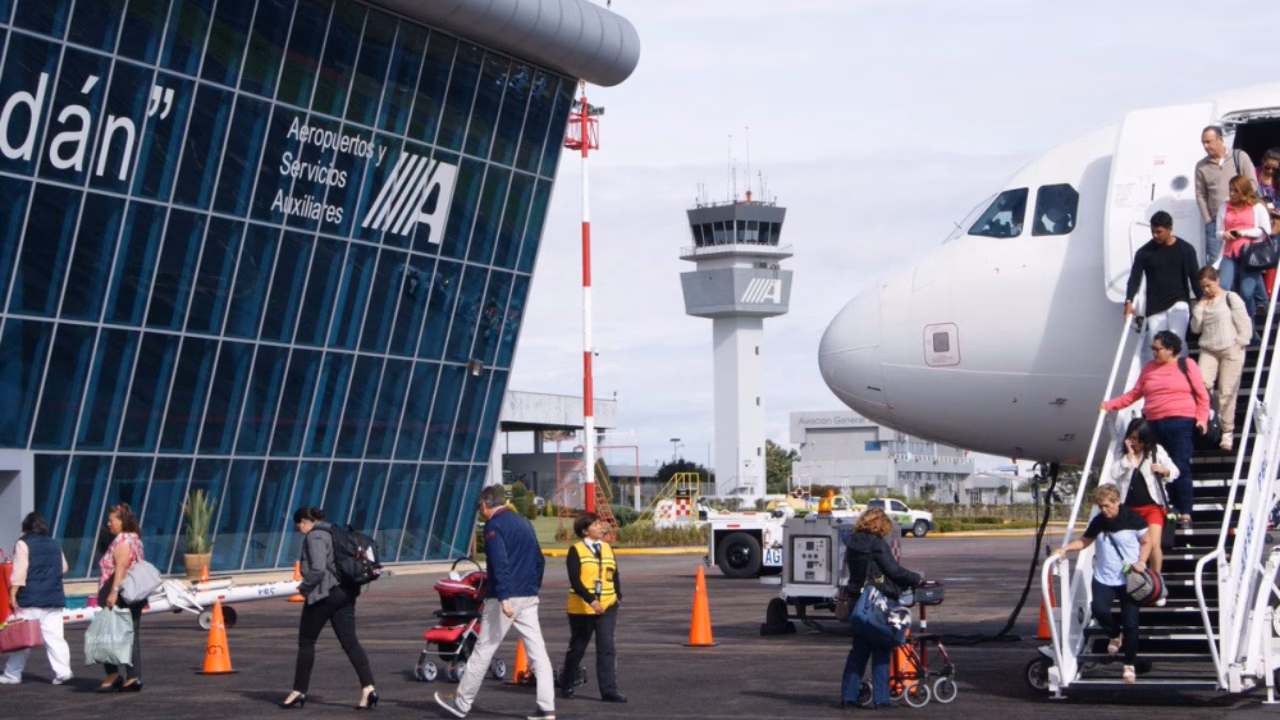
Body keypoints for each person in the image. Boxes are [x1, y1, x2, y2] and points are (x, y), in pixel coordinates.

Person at [436, 486, 555, 720]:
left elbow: (499, 563)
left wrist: (503, 596)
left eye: (480, 509)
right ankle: (546, 707)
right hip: (528, 595)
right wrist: (532, 588)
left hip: (505, 597)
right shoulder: (524, 523)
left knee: (483, 650)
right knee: (538, 652)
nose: (480, 514)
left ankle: (462, 703)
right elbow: (539, 560)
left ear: (484, 505)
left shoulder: (494, 526)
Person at [1101, 330, 1209, 524]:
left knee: (1180, 465)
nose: (1154, 352)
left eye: (1157, 349)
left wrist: (1201, 419)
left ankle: (1185, 509)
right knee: (1155, 466)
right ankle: (1167, 506)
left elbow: (1202, 394)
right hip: (1153, 424)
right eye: (1152, 349)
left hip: (1181, 421)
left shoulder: (1186, 364)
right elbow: (1134, 394)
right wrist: (1110, 404)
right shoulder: (1149, 368)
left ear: (1170, 349)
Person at [1050, 485, 1153, 684]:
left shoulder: (1133, 519)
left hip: (1129, 578)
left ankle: (1129, 665)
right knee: (1098, 609)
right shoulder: (1099, 521)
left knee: (1131, 622)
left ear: (1117, 502)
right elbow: (1086, 540)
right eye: (1100, 506)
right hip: (1104, 577)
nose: (1104, 510)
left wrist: (1141, 561)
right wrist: (1065, 549)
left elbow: (1147, 542)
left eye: (1107, 506)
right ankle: (1115, 634)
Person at [278, 507, 376, 710]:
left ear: (306, 521)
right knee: (350, 642)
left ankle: (299, 691)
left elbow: (318, 569)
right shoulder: (335, 532)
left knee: (306, 642)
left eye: (298, 526)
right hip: (346, 593)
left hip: (324, 594)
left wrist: (304, 589)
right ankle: (368, 688)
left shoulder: (315, 537)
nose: (298, 530)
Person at [840, 508, 923, 711]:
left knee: (858, 652)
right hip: (878, 603)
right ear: (880, 525)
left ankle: (848, 698)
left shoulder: (852, 542)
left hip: (857, 602)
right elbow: (893, 571)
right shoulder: (877, 544)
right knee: (882, 649)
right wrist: (916, 578)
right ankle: (882, 699)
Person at [558, 512, 626, 703]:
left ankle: (609, 691)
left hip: (607, 607)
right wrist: (591, 600)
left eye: (600, 524)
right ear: (585, 530)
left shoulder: (607, 548)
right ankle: (567, 682)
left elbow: (615, 574)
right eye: (596, 525)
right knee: (578, 647)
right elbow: (575, 580)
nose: (601, 527)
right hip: (582, 609)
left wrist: (617, 596)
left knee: (607, 648)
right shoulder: (576, 550)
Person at [0, 512, 72, 685]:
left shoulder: (23, 544)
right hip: (54, 598)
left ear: (26, 527)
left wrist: (12, 594)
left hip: (31, 598)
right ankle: (63, 672)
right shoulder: (54, 543)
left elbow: (20, 571)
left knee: (22, 637)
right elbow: (64, 567)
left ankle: (12, 673)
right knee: (55, 638)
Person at [1123, 211, 1201, 363]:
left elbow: (1194, 277)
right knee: (1158, 345)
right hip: (1155, 305)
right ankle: (1162, 378)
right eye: (1153, 232)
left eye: (1159, 232)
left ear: (1169, 229)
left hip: (1179, 302)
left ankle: (1180, 374)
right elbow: (1134, 279)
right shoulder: (1144, 253)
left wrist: (1202, 302)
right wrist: (1129, 301)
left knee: (1176, 341)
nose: (1155, 236)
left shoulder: (1186, 249)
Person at [1190, 265, 1251, 451]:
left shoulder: (1230, 298)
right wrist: (1198, 308)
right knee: (1200, 386)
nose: (1206, 290)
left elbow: (1244, 324)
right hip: (1208, 348)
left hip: (1230, 348)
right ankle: (1208, 419)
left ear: (1217, 280)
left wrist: (1239, 343)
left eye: (1209, 285)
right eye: (1203, 287)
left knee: (1227, 391)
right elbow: (1195, 329)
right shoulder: (1204, 303)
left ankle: (1227, 432)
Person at [1106, 418, 1173, 578]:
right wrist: (1128, 457)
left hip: (1152, 506)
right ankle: (1136, 580)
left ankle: (1157, 581)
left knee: (1154, 544)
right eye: (1132, 438)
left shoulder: (1156, 451)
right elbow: (1114, 474)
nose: (1135, 442)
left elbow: (1174, 471)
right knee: (1133, 547)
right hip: (1130, 508)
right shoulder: (1122, 453)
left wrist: (1163, 470)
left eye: (1139, 439)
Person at [96, 503, 145, 692]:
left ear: (122, 520)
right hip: (133, 594)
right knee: (131, 635)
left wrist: (113, 591)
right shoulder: (136, 539)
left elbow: (122, 566)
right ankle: (133, 676)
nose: (109, 524)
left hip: (119, 593)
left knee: (108, 635)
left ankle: (114, 673)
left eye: (111, 520)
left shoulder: (123, 539)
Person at [1196, 126, 1257, 265]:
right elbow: (1200, 194)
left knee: (1245, 261)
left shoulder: (1239, 157)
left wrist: (1239, 201)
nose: (1206, 146)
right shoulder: (1201, 166)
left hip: (1241, 220)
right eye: (1203, 142)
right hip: (1217, 223)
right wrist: (1207, 220)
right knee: (1216, 263)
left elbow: (1253, 183)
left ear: (1221, 140)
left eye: (1209, 142)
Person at [1214, 174, 1270, 321]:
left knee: (1246, 293)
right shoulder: (1224, 206)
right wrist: (1224, 234)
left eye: (1235, 191)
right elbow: (1218, 233)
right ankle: (1231, 321)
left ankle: (1249, 325)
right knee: (1224, 286)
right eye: (1230, 190)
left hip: (1250, 254)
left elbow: (1265, 230)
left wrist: (1242, 233)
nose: (1231, 194)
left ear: (1244, 191)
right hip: (1229, 252)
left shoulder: (1257, 206)